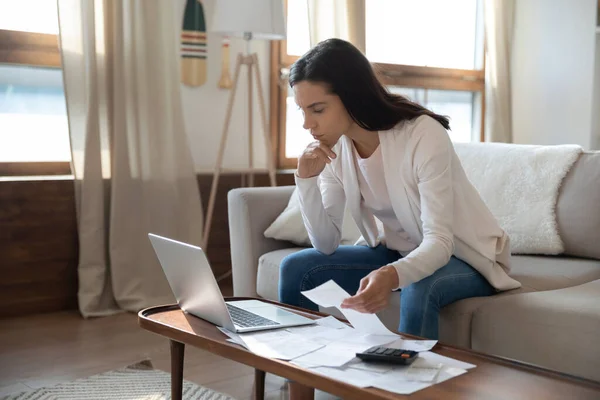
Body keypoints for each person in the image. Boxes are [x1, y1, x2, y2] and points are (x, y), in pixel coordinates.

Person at [278, 38, 521, 399]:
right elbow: (325, 244)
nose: (307, 124)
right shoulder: (336, 148)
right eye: (302, 111)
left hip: (461, 255)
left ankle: (404, 393)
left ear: (351, 95)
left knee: (417, 287)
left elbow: (440, 242)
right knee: (297, 268)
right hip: (396, 250)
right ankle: (298, 392)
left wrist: (391, 274)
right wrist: (307, 180)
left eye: (317, 109)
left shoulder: (422, 134)